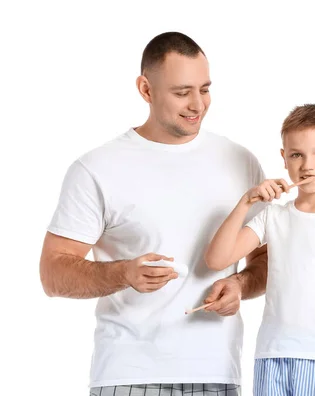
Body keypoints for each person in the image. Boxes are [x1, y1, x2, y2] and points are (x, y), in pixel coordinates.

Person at [39, 31, 268, 396]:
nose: (198, 104)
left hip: (218, 372)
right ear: (146, 89)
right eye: (181, 92)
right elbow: (53, 273)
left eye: (204, 89)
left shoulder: (242, 163)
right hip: (127, 374)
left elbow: (264, 260)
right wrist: (123, 273)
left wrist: (240, 284)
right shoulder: (97, 168)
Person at [205, 104, 315, 395]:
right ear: (284, 158)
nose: (308, 165)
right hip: (270, 359)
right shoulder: (273, 216)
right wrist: (247, 202)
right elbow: (217, 258)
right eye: (297, 154)